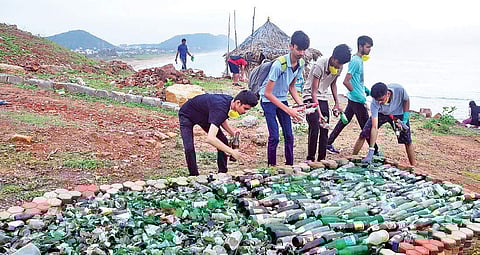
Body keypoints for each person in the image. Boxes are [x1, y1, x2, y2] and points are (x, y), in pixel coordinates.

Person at [259, 30, 310, 166]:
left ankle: (290, 165)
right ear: (291, 46)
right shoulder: (279, 64)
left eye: (304, 50)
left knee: (289, 135)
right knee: (274, 136)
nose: (301, 53)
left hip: (282, 98)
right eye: (299, 49)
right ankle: (272, 166)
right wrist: (288, 110)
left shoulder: (301, 64)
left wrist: (300, 104)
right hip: (268, 100)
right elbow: (268, 93)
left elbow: (291, 87)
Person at [178, 90, 258, 176]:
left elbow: (220, 119)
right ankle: (194, 175)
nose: (245, 112)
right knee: (189, 148)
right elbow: (210, 139)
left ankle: (222, 172)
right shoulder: (220, 107)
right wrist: (232, 151)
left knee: (223, 141)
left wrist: (232, 133)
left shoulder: (230, 103)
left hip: (205, 116)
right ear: (238, 102)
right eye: (245, 108)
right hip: (187, 115)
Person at [326, 35, 379, 155]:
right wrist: (358, 95)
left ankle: (328, 142)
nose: (369, 49)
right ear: (360, 46)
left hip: (355, 97)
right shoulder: (355, 61)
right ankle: (375, 150)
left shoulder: (359, 60)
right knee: (366, 125)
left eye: (370, 47)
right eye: (367, 47)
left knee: (344, 121)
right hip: (356, 99)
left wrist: (365, 90)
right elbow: (346, 81)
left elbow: (357, 80)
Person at [302, 44, 351, 162]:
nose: (340, 66)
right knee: (315, 125)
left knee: (325, 127)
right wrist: (318, 113)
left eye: (342, 64)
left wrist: (337, 104)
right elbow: (313, 91)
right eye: (339, 63)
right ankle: (310, 158)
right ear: (333, 58)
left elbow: (333, 84)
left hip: (323, 96)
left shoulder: (339, 67)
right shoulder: (320, 65)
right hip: (310, 95)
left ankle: (322, 158)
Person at [352, 82, 416, 166]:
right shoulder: (375, 103)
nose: (379, 102)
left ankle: (413, 166)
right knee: (364, 134)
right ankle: (353, 158)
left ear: (388, 94)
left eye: (381, 100)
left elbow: (406, 100)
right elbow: (374, 127)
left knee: (407, 140)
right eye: (377, 100)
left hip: (397, 113)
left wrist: (405, 117)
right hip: (381, 113)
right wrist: (371, 149)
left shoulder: (399, 89)